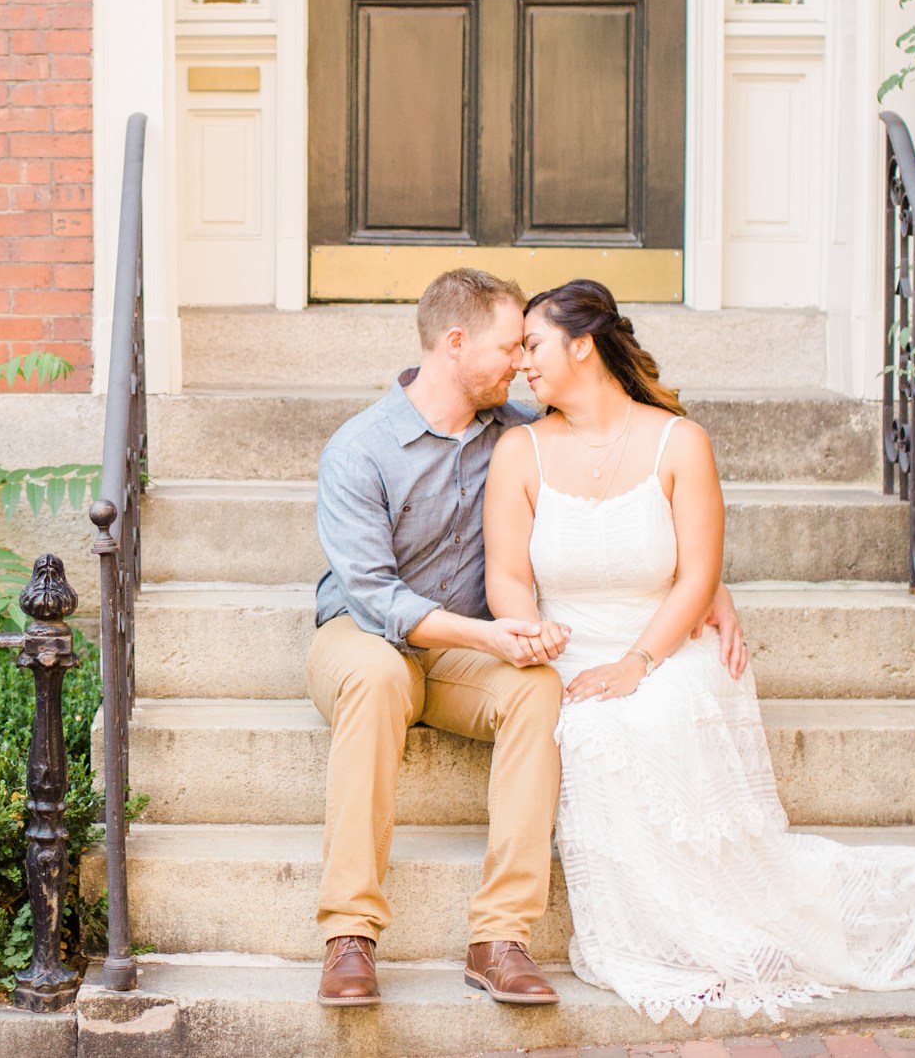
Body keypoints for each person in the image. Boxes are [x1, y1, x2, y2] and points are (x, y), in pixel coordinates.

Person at [480, 279, 915, 1023]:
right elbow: (507, 575)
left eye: (534, 344)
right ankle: (651, 927)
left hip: (666, 642)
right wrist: (529, 630)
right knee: (582, 721)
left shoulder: (679, 442)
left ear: (581, 345)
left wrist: (637, 663)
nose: (523, 362)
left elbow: (698, 577)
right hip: (564, 648)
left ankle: (711, 924)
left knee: (643, 713)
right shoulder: (518, 450)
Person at [307, 268, 747, 1007]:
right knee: (380, 677)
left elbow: (622, 498)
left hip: (465, 653)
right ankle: (349, 932)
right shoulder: (360, 448)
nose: (520, 360)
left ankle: (499, 934)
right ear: (455, 343)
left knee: (540, 690)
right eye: (509, 345)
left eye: (527, 345)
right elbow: (377, 596)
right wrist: (488, 633)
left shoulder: (517, 431)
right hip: (363, 637)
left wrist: (712, 588)